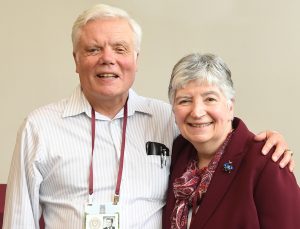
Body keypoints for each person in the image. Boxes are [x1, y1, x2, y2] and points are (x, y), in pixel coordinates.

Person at [3, 4, 294, 229]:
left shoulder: (166, 118)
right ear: (76, 60)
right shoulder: (39, 128)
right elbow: (18, 220)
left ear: (136, 60)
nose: (108, 58)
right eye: (93, 49)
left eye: (120, 48)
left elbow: (216, 133)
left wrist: (267, 143)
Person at [162, 53, 300, 229]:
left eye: (210, 99)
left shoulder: (266, 162)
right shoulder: (175, 154)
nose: (197, 112)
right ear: (173, 109)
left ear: (230, 106)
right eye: (185, 100)